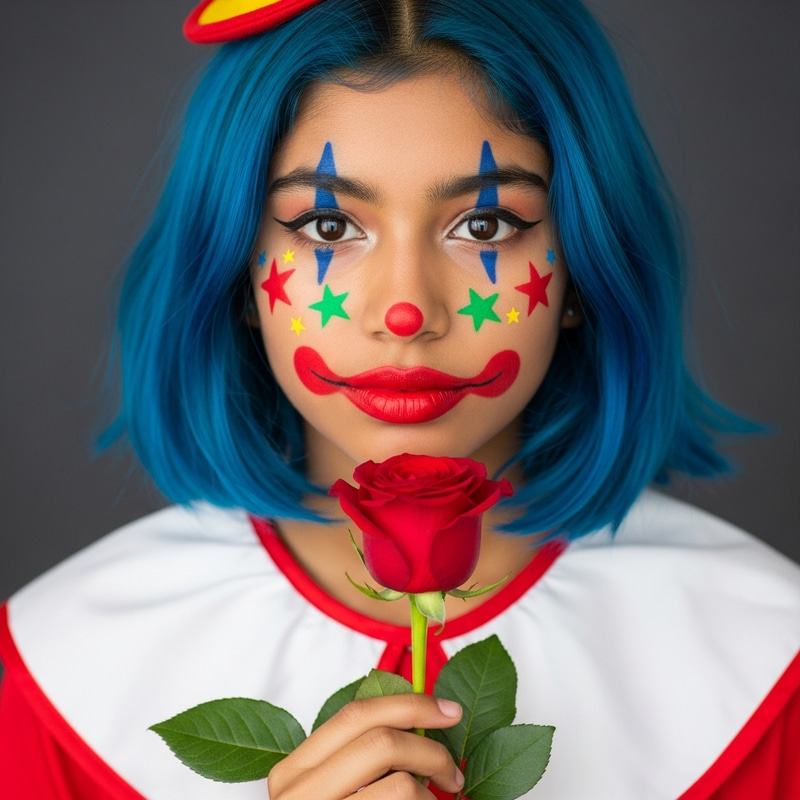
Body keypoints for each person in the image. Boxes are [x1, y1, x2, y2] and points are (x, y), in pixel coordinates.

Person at [1, 0, 798, 797]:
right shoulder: (59, 672)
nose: (406, 311)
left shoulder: (767, 657)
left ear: (584, 266)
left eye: (485, 227)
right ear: (237, 265)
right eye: (326, 226)